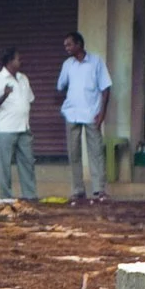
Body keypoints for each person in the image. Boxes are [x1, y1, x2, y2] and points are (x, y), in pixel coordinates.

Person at [55, 31, 112, 202]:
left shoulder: (96, 62)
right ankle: (78, 189)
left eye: (69, 45)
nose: (67, 48)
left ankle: (99, 190)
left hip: (91, 113)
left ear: (79, 44)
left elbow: (106, 89)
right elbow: (60, 86)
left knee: (96, 152)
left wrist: (102, 113)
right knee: (74, 153)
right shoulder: (67, 64)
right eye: (65, 45)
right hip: (72, 113)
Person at [0, 45, 37, 203]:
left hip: (23, 127)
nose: (21, 61)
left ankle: (30, 196)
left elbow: (29, 100)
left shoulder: (23, 78)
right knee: (4, 166)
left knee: (28, 163)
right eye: (18, 58)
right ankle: (6, 198)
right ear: (9, 61)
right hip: (5, 130)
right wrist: (4, 96)